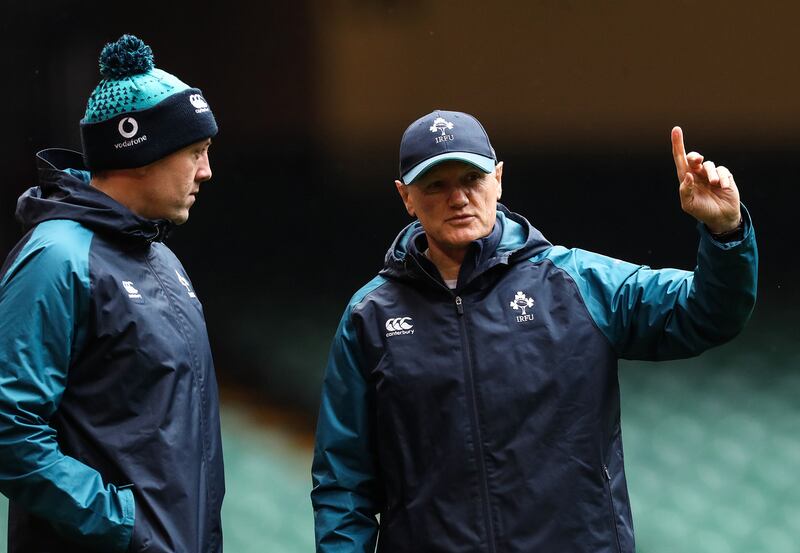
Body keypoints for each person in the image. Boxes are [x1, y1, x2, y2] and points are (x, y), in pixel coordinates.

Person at [311, 109, 757, 552]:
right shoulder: (370, 318)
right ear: (406, 196)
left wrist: (725, 232)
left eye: (472, 178)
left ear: (498, 179)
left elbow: (707, 313)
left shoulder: (578, 283)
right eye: (435, 185)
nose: (458, 198)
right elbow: (343, 483)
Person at [0, 35, 224, 552]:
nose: (206, 172)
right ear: (142, 153)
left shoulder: (161, 258)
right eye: (195, 152)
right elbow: (10, 428)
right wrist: (126, 527)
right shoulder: (56, 257)